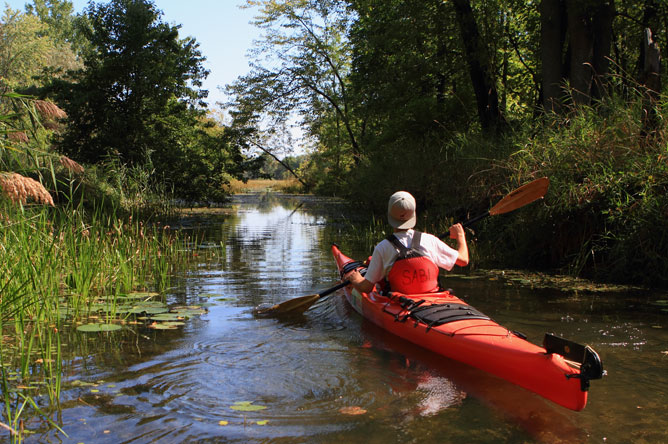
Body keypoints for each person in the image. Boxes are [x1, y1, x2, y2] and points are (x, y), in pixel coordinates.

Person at [345, 191, 469, 295]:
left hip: (400, 304)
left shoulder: (382, 247)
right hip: (433, 299)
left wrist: (356, 280)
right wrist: (460, 236)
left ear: (389, 216)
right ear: (413, 215)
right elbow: (463, 260)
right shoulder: (430, 239)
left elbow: (365, 288)